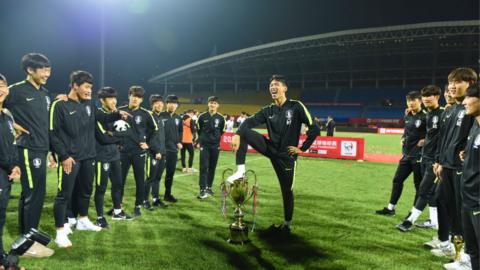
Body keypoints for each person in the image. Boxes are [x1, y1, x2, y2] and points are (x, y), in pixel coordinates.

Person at [228, 75, 320, 233]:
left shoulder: (296, 106)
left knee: (287, 191)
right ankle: (240, 171)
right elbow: (248, 122)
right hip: (271, 149)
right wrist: (236, 134)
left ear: (285, 88)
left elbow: (315, 128)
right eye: (270, 85)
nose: (272, 87)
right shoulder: (268, 110)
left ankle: (287, 224)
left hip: (287, 156)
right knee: (244, 132)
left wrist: (302, 148)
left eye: (276, 84)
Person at [4, 53, 58, 257]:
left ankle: (28, 237)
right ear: (30, 70)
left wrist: (51, 152)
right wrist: (14, 125)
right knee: (33, 194)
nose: (47, 74)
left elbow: (46, 125)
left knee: (34, 194)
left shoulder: (45, 93)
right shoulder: (15, 91)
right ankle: (27, 244)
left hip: (41, 149)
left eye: (49, 70)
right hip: (26, 149)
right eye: (43, 69)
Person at [50, 71, 104, 248]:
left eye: (91, 87)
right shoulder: (60, 104)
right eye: (87, 87)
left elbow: (102, 118)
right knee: (64, 194)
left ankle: (82, 220)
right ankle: (60, 231)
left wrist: (119, 115)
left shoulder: (89, 104)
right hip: (70, 158)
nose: (90, 91)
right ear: (75, 85)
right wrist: (63, 156)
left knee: (85, 190)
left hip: (88, 156)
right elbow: (52, 133)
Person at [431, 68, 477, 262]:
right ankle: (452, 245)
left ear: (471, 85)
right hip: (447, 166)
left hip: (460, 168)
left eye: (457, 82)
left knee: (462, 212)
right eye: (451, 82)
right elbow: (446, 139)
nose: (452, 86)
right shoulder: (455, 109)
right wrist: (440, 161)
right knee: (442, 201)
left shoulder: (471, 109)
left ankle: (464, 255)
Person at [396, 85, 443, 232]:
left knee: (423, 190)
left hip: (436, 159)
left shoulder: (443, 113)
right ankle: (434, 222)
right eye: (425, 96)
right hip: (424, 156)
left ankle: (409, 221)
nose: (427, 98)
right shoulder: (425, 114)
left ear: (437, 97)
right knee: (431, 193)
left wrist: (440, 159)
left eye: (430, 95)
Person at [376, 91, 426, 216]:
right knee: (397, 180)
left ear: (420, 101)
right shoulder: (408, 115)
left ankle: (413, 213)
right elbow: (406, 131)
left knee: (418, 186)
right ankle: (390, 208)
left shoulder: (426, 116)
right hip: (406, 155)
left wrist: (426, 141)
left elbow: (435, 133)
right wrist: (403, 137)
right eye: (409, 101)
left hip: (419, 156)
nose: (411, 103)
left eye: (413, 100)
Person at [94, 87, 133, 227]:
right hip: (101, 156)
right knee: (101, 188)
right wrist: (115, 137)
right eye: (110, 98)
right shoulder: (98, 114)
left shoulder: (117, 114)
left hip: (115, 156)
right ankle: (99, 217)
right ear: (102, 100)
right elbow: (102, 138)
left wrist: (113, 135)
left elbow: (128, 134)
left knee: (117, 184)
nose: (114, 101)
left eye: (114, 98)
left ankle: (117, 212)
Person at [118, 86, 158, 217]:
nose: (136, 98)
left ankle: (137, 206)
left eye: (139, 97)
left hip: (138, 152)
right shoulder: (119, 111)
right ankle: (118, 206)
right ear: (129, 96)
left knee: (140, 180)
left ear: (141, 100)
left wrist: (148, 144)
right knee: (119, 180)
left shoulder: (146, 114)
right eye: (134, 95)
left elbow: (154, 130)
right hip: (122, 152)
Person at [456, 84, 480, 270]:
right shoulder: (475, 127)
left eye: (468, 97)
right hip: (468, 198)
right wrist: (467, 154)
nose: (464, 102)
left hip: (478, 200)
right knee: (472, 249)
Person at [0, 73, 22, 262]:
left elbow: (11, 143)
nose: (0, 89)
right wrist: (10, 166)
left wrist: (15, 165)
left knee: (1, 215)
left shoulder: (6, 116)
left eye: (2, 85)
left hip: (6, 172)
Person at [196, 96, 225, 199]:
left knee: (212, 167)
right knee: (203, 167)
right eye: (211, 103)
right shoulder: (202, 116)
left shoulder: (221, 118)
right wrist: (203, 139)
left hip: (215, 146)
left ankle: (209, 187)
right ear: (208, 104)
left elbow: (221, 131)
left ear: (218, 105)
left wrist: (215, 139)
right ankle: (202, 189)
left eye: (215, 103)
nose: (212, 105)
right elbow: (198, 130)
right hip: (205, 146)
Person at [144, 94, 168, 209]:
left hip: (162, 153)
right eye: (157, 103)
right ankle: (144, 200)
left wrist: (163, 151)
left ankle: (155, 198)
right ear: (152, 104)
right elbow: (149, 137)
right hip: (153, 153)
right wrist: (156, 151)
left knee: (158, 178)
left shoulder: (160, 117)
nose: (159, 105)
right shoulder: (149, 116)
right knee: (150, 177)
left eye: (161, 103)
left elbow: (161, 137)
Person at [159, 95, 183, 203]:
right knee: (156, 174)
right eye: (170, 103)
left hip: (173, 150)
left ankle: (167, 194)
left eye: (174, 103)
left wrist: (178, 141)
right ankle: (150, 197)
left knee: (170, 174)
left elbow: (180, 132)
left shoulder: (178, 118)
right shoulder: (160, 115)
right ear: (166, 104)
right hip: (161, 150)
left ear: (177, 105)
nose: (172, 105)